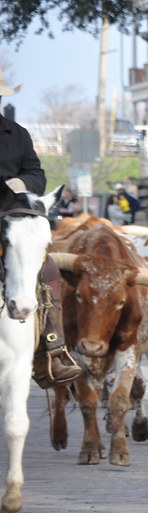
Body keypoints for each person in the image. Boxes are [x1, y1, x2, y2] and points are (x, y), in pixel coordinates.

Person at [0, 69, 81, 387]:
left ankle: (52, 348)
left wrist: (20, 184)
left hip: (11, 215)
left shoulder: (17, 134)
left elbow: (36, 172)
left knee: (47, 269)